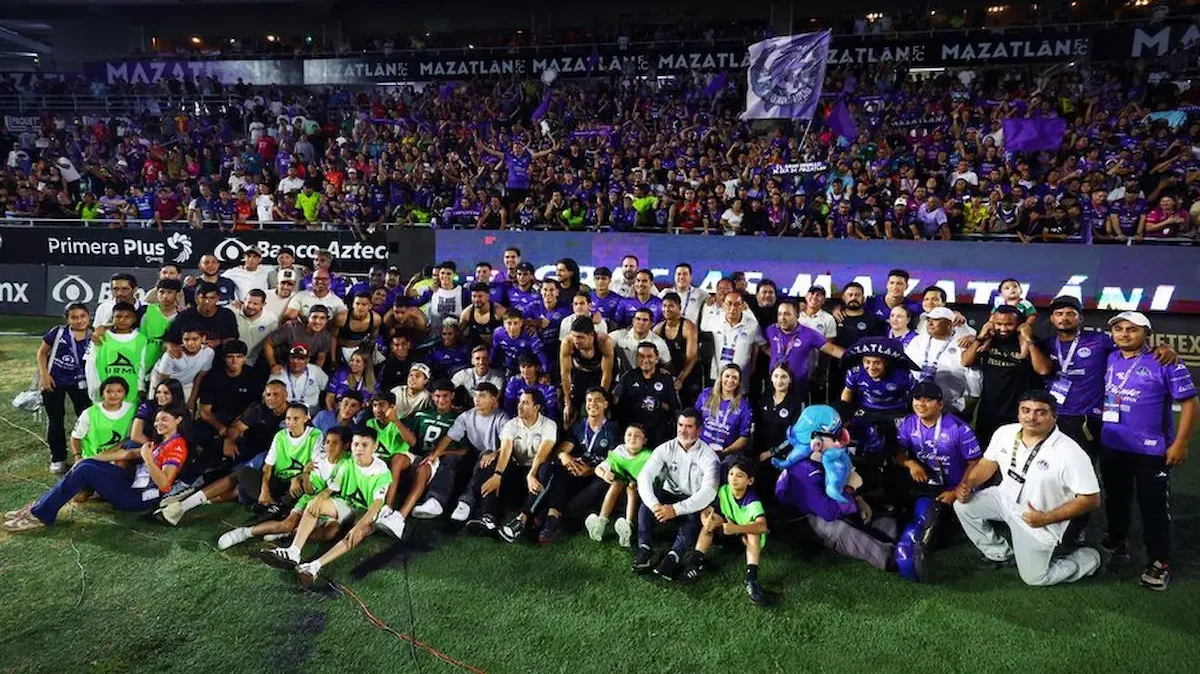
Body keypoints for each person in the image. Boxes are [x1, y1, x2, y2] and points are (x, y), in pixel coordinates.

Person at [953, 390, 1103, 587]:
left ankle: (1089, 558)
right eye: (1026, 410)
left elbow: (1091, 499)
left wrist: (1045, 518)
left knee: (1035, 578)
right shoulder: (1005, 433)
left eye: (1040, 412)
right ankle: (999, 553)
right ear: (1018, 413)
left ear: (1054, 417)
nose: (1031, 417)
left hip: (1038, 519)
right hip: (1004, 499)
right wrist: (968, 484)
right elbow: (988, 463)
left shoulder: (1070, 452)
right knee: (963, 506)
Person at [1099, 311, 1197, 591]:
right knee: (1116, 498)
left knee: (1153, 506)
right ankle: (1117, 543)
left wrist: (1180, 442)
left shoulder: (1164, 361)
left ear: (1146, 334)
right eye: (1119, 329)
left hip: (1151, 451)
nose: (1124, 334)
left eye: (1132, 329)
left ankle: (1159, 560)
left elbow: (1190, 403)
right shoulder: (1111, 357)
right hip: (1113, 444)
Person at [5, 406, 189, 532]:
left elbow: (164, 485)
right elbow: (126, 455)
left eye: (164, 419)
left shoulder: (177, 446)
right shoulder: (162, 441)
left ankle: (41, 515)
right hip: (133, 484)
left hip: (138, 497)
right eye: (157, 420)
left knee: (86, 470)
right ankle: (40, 507)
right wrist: (87, 458)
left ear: (178, 420)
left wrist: (148, 459)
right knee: (86, 465)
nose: (158, 424)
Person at [265, 425, 393, 587]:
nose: (359, 449)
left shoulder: (382, 472)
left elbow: (375, 507)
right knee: (314, 504)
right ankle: (293, 551)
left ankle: (314, 566)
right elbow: (332, 487)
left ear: (375, 447)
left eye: (364, 445)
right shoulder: (348, 463)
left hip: (364, 512)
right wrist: (318, 498)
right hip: (346, 505)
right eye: (356, 444)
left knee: (356, 533)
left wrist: (358, 526)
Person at [158, 403, 323, 526]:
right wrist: (265, 491)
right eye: (288, 418)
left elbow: (313, 468)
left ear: (306, 419)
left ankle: (184, 503)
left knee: (240, 491)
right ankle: (182, 506)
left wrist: (298, 477)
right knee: (241, 475)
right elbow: (268, 466)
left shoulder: (315, 435)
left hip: (297, 487)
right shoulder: (280, 435)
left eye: (295, 418)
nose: (290, 422)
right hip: (277, 482)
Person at [218, 425, 351, 551]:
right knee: (287, 524)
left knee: (328, 534)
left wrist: (306, 479)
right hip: (309, 498)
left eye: (335, 443)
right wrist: (304, 475)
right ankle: (244, 532)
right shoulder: (319, 459)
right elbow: (309, 489)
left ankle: (287, 534)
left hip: (329, 502)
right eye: (327, 442)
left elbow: (329, 490)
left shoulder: (347, 463)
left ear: (345, 446)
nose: (329, 446)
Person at [633, 409, 721, 578]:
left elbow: (708, 491)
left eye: (689, 426)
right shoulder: (665, 449)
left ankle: (674, 556)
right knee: (645, 506)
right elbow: (645, 476)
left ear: (699, 430)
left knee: (693, 518)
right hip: (669, 494)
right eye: (680, 425)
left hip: (693, 499)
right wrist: (655, 505)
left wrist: (675, 510)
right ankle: (644, 549)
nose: (682, 430)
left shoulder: (709, 457)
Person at [465, 390, 557, 536]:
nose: (520, 406)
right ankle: (488, 517)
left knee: (547, 468)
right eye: (519, 402)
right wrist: (497, 474)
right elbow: (506, 449)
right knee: (489, 460)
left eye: (525, 403)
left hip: (535, 471)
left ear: (537, 407)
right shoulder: (512, 424)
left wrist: (531, 475)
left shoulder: (549, 425)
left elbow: (542, 454)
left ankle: (521, 520)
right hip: (516, 470)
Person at [678, 457, 769, 605]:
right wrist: (705, 519)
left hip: (743, 540)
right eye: (731, 474)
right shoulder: (723, 490)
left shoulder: (752, 501)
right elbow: (708, 508)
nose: (733, 479)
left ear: (749, 481)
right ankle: (696, 563)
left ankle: (751, 579)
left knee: (754, 532)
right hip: (727, 531)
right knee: (712, 520)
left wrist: (737, 529)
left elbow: (763, 526)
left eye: (740, 476)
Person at [424, 382, 511, 522]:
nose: (477, 399)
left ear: (494, 399)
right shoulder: (466, 416)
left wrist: (494, 454)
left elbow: (508, 445)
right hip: (473, 455)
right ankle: (435, 501)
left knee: (485, 456)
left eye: (482, 396)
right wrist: (435, 454)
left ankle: (465, 503)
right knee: (450, 458)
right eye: (476, 396)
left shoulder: (502, 418)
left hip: (495, 458)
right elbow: (449, 438)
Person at [961, 305, 1038, 445]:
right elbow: (965, 361)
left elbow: (1025, 357)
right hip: (988, 411)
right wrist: (980, 337)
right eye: (999, 324)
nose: (1003, 329)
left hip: (1017, 412)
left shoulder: (1029, 342)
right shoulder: (987, 340)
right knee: (985, 452)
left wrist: (1026, 337)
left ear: (1019, 324)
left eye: (1009, 324)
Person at [38, 303, 94, 474]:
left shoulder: (94, 335)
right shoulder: (58, 332)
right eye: (74, 317)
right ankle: (58, 458)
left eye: (82, 316)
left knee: (85, 419)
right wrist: (45, 375)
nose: (79, 321)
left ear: (88, 317)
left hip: (82, 383)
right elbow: (41, 353)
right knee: (55, 420)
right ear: (67, 319)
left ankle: (87, 454)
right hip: (55, 382)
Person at [905, 307, 980, 417]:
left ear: (949, 324)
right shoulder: (918, 341)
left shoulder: (963, 343)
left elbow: (974, 375)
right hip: (918, 406)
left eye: (935, 320)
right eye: (928, 320)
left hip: (952, 409)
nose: (930, 323)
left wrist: (969, 403)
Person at [585, 423, 651, 547]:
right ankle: (601, 522)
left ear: (645, 440)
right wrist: (604, 475)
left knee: (631, 488)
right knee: (617, 483)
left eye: (638, 436)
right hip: (619, 491)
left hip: (639, 494)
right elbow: (599, 468)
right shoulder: (620, 451)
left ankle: (628, 525)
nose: (633, 438)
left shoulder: (648, 456)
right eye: (629, 434)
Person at [765, 299, 845, 400]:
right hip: (775, 385)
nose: (782, 318)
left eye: (787, 314)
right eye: (780, 314)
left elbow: (832, 350)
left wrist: (855, 356)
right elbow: (762, 345)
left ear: (797, 315)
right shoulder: (771, 330)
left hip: (798, 388)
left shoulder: (809, 334)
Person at [611, 342, 681, 447]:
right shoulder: (628, 377)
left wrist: (659, 404)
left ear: (657, 358)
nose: (645, 360)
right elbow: (615, 399)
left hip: (657, 434)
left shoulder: (665, 379)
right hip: (632, 434)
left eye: (649, 356)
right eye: (642, 356)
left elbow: (674, 408)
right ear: (636, 358)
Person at [83, 302, 147, 404]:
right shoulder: (100, 337)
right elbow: (91, 364)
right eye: (118, 316)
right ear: (112, 318)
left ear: (134, 319)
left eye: (127, 317)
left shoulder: (141, 339)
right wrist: (95, 389)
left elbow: (142, 365)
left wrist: (140, 386)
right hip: (105, 390)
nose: (122, 320)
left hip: (131, 390)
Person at [696, 364, 753, 470]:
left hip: (726, 454)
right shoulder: (706, 395)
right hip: (700, 449)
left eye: (734, 377)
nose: (730, 380)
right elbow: (694, 421)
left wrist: (725, 452)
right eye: (727, 376)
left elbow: (744, 438)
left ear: (739, 382)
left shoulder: (744, 406)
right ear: (720, 377)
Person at [559, 318, 616, 425]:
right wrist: (568, 403)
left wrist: (601, 401)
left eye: (580, 337)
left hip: (598, 374)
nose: (576, 340)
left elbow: (606, 374)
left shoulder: (604, 342)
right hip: (580, 374)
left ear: (591, 336)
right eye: (574, 336)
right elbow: (565, 373)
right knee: (569, 413)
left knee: (602, 407)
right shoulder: (568, 342)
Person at [70, 376, 136, 463]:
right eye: (109, 391)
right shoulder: (89, 413)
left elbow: (130, 438)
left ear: (125, 393)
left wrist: (109, 453)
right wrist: (77, 456)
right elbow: (75, 437)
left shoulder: (132, 410)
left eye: (119, 391)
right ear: (102, 393)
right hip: (91, 460)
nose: (113, 395)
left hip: (118, 458)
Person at [709, 292, 766, 391]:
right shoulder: (713, 321)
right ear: (723, 305)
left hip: (741, 380)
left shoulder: (752, 325)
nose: (732, 308)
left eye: (737, 304)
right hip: (717, 377)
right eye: (729, 303)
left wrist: (753, 366)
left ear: (742, 306)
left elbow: (761, 345)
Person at [149, 327, 214, 410]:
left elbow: (199, 377)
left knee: (187, 410)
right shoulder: (171, 355)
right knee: (158, 407)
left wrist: (192, 399)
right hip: (163, 381)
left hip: (187, 383)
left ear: (203, 338)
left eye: (195, 339)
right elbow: (164, 381)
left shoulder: (209, 353)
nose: (190, 343)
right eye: (186, 339)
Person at [655, 291, 702, 406]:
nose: (667, 309)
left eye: (671, 306)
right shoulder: (658, 328)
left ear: (679, 308)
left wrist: (681, 379)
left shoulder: (688, 327)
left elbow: (692, 357)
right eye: (664, 306)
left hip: (689, 373)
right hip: (669, 374)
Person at [168, 282, 239, 349]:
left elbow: (233, 338)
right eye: (203, 298)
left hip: (220, 356)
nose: (207, 301)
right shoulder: (185, 315)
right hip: (190, 358)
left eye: (211, 298)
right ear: (196, 298)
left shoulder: (227, 315)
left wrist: (218, 342)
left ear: (217, 298)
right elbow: (169, 341)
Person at [265, 306, 333, 374]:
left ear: (326, 321)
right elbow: (267, 344)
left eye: (322, 318)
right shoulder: (291, 328)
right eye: (314, 317)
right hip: (279, 362)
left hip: (300, 366)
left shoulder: (326, 336)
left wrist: (316, 373)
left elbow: (321, 356)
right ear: (308, 318)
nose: (317, 321)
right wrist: (273, 365)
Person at [138, 278, 183, 375]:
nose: (165, 296)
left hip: (167, 370)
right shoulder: (144, 311)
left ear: (177, 294)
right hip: (141, 364)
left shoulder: (183, 316)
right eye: (161, 292)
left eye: (169, 292)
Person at [610, 308, 673, 372]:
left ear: (651, 323)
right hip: (624, 377)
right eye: (638, 319)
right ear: (633, 321)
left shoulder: (659, 343)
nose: (641, 322)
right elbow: (603, 340)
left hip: (648, 379)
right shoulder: (619, 335)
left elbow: (668, 365)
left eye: (645, 320)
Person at [490, 310, 548, 375]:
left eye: (515, 323)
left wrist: (545, 373)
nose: (512, 327)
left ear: (521, 323)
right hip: (508, 367)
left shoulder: (530, 334)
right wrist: (490, 365)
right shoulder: (498, 333)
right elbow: (495, 350)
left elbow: (540, 355)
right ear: (504, 324)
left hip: (527, 369)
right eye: (509, 323)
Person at [233, 289, 277, 369]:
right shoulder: (233, 313)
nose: (251, 306)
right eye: (249, 302)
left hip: (256, 364)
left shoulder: (271, 319)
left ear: (263, 304)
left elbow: (272, 343)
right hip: (233, 361)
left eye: (255, 304)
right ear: (244, 301)